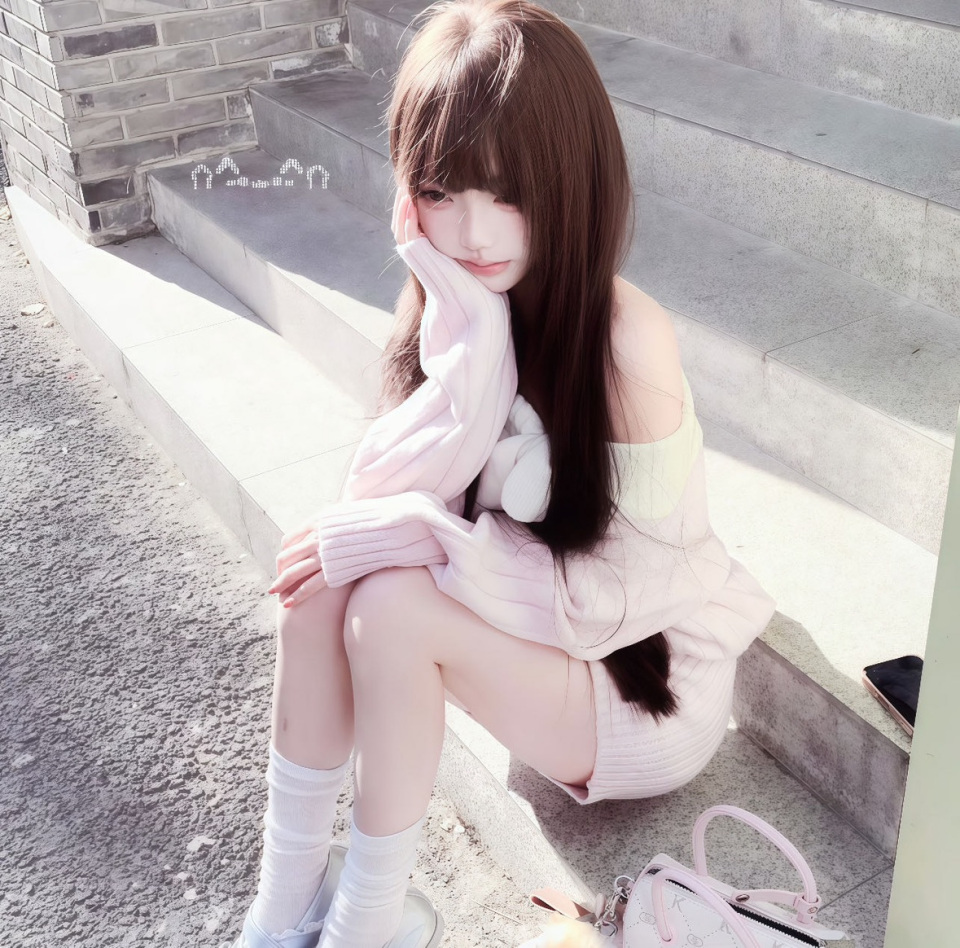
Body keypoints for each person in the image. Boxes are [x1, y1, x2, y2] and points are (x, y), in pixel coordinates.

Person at [230, 1, 777, 946]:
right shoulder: (459, 298)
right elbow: (382, 498)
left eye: (510, 190)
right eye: (440, 190)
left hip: (644, 689)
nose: (474, 231)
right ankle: (282, 911)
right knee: (317, 589)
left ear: (574, 177)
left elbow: (618, 599)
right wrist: (469, 347)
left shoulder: (627, 341)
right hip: (543, 659)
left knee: (386, 603)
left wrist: (413, 533)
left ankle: (367, 924)